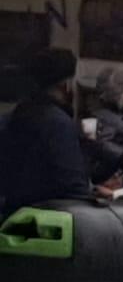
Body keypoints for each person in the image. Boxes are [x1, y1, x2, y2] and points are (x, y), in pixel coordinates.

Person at [0, 49, 92, 213]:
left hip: (13, 215)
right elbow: (73, 190)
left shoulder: (12, 117)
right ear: (66, 85)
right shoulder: (59, 124)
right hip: (48, 219)